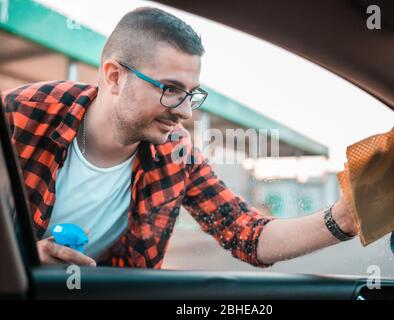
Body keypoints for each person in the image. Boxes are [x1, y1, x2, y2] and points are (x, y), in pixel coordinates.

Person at [1, 7, 357, 268]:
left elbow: (247, 233)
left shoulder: (177, 152)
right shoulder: (22, 113)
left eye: (191, 94)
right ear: (113, 77)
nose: (185, 112)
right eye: (170, 89)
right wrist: (20, 261)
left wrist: (344, 217)